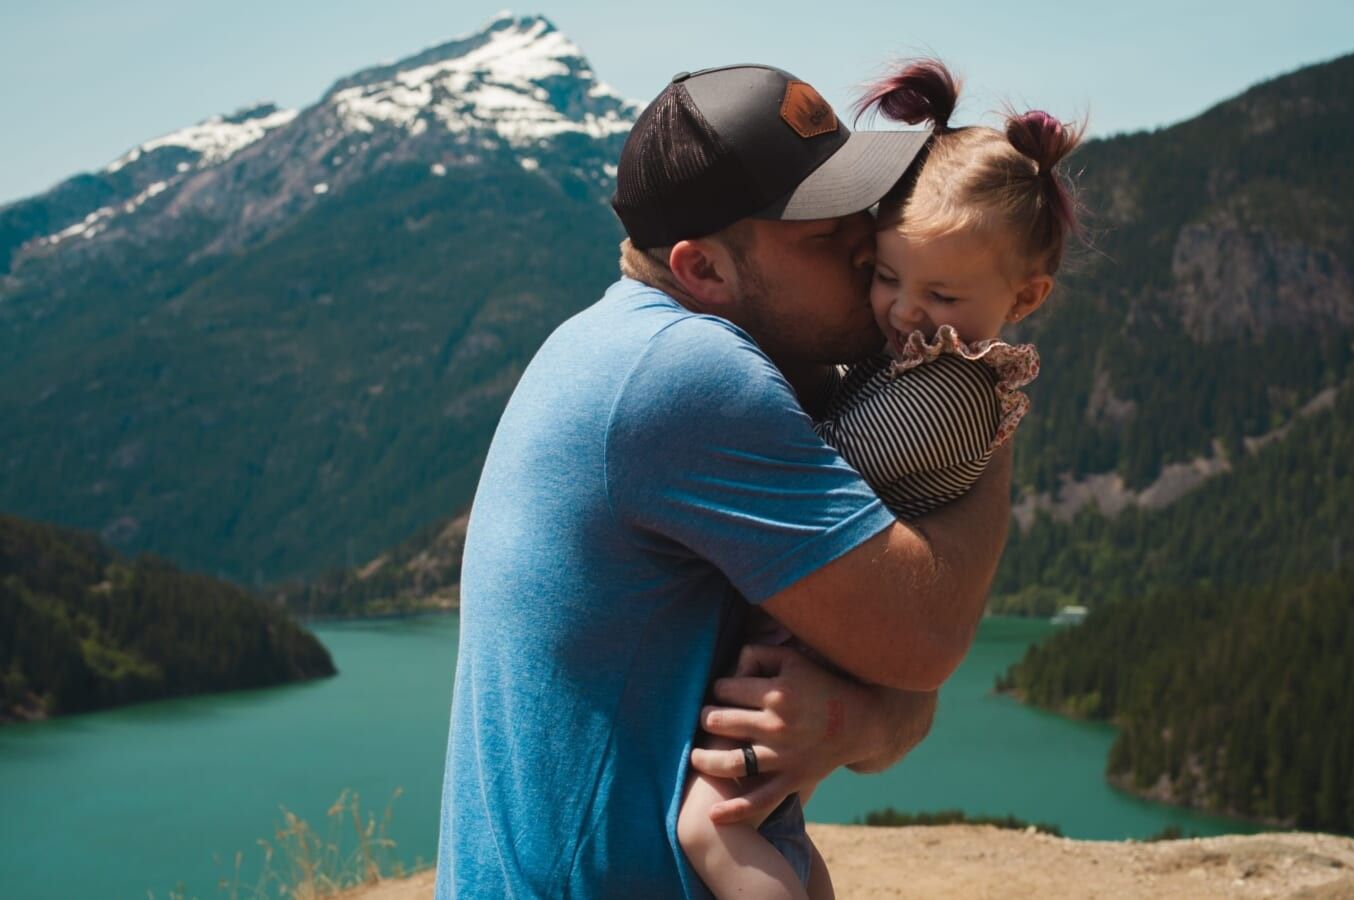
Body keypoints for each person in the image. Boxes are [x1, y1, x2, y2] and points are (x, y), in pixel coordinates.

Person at [435, 63, 1015, 899]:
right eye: (821, 231)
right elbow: (923, 640)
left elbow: (893, 682)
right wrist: (982, 386)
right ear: (702, 269)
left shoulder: (615, 341)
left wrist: (855, 719)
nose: (867, 244)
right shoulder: (687, 376)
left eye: (860, 207)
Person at [675, 58, 1085, 900]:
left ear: (1028, 295)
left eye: (937, 292)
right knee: (770, 821)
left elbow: (823, 461)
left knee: (712, 824)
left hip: (822, 635)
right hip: (836, 626)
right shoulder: (929, 357)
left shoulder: (948, 391)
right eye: (884, 276)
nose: (901, 311)